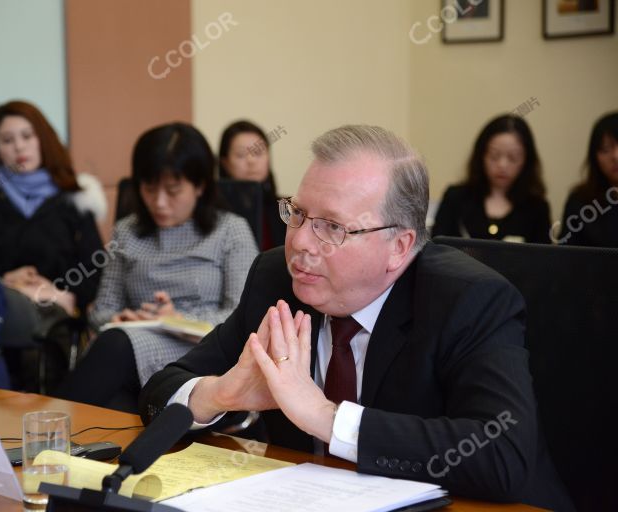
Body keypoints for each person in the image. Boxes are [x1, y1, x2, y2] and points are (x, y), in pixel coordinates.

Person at [140, 125, 573, 511]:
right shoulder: (277, 280)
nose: (301, 243)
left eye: (332, 227)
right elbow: (159, 391)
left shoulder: (468, 301)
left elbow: (502, 456)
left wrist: (327, 418)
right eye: (298, 213)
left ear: (399, 247)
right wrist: (218, 395)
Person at [55, 122, 258, 412]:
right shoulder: (127, 232)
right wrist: (123, 318)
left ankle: (46, 429)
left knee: (115, 350)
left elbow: (242, 318)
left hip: (199, 353)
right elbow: (101, 311)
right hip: (127, 353)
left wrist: (179, 320)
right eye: (150, 189)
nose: (159, 202)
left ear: (199, 186)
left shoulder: (230, 231)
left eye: (173, 191)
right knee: (116, 408)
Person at [0, 100, 106, 389]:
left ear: (43, 139)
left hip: (58, 316)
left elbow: (97, 269)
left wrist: (62, 294)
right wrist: (4, 283)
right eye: (7, 140)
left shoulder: (75, 199)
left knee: (44, 342)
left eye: (27, 136)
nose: (19, 148)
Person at [432, 114, 550, 243]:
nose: (502, 165)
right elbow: (436, 250)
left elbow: (543, 259)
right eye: (494, 155)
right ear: (481, 155)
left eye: (513, 158)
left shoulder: (537, 208)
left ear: (526, 160)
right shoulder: (455, 198)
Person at [218, 120, 286, 250]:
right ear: (225, 163)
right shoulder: (213, 213)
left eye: (258, 152)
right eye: (241, 154)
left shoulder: (287, 210)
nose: (251, 160)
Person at [556, 112, 618, 247]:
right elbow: (564, 257)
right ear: (594, 156)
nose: (615, 156)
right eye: (606, 149)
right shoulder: (580, 201)